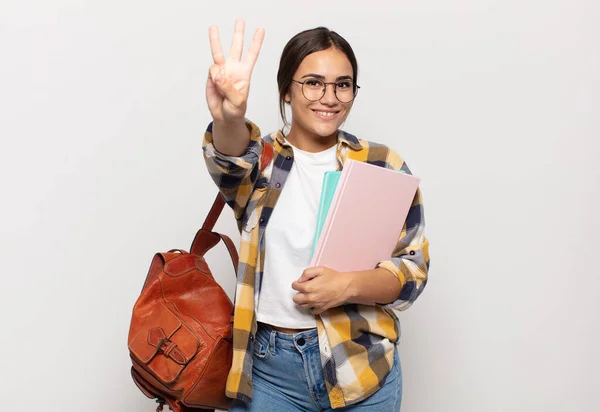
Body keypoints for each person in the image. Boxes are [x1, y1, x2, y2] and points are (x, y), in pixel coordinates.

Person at [202, 19, 430, 412]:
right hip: (272, 374)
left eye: (343, 84)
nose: (330, 97)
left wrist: (348, 286)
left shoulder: (382, 164)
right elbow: (231, 160)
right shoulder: (265, 162)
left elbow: (412, 271)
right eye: (312, 82)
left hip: (362, 366)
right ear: (286, 91)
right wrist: (229, 118)